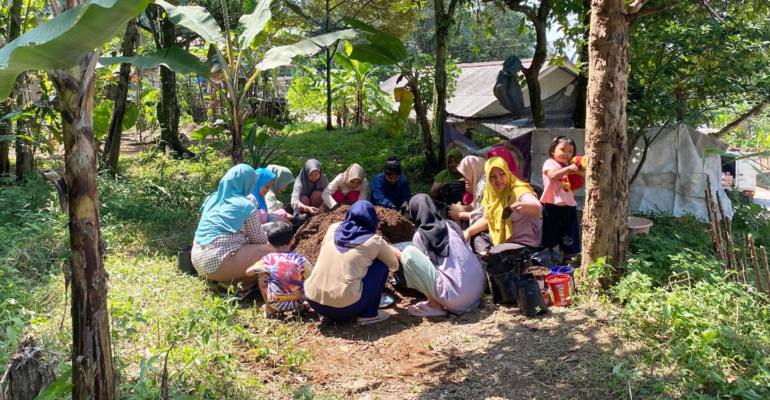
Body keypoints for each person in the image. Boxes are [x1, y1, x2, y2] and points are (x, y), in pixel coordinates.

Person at [304, 201, 399, 325]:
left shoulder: (333, 228)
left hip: (314, 301)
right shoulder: (374, 240)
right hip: (345, 309)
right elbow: (394, 266)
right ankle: (368, 315)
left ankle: (325, 313)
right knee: (381, 266)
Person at [397, 194, 484, 317]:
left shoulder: (421, 236)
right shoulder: (452, 225)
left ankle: (434, 305)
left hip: (457, 299)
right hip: (477, 290)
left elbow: (423, 268)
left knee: (408, 253)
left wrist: (398, 254)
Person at [191, 164, 270, 291]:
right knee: (271, 255)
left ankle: (221, 279)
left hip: (197, 261)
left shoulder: (212, 198)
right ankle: (236, 285)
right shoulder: (246, 206)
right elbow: (259, 239)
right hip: (217, 263)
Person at [464, 157, 542, 254]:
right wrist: (468, 232)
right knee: (475, 238)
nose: (498, 179)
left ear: (507, 173)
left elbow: (537, 207)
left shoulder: (518, 190)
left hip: (522, 242)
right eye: (493, 176)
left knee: (496, 252)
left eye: (502, 174)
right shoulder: (490, 194)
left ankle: (489, 258)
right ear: (488, 178)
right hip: (501, 240)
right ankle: (487, 256)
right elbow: (488, 219)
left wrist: (525, 206)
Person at [246, 220, 313, 318]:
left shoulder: (268, 259)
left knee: (262, 274)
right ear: (293, 240)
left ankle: (270, 311)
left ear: (269, 245)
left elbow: (248, 272)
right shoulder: (299, 258)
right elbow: (312, 275)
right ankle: (300, 308)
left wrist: (263, 268)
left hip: (276, 303)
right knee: (301, 272)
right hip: (297, 301)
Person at [540, 136, 580, 263]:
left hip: (568, 205)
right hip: (552, 204)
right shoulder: (549, 163)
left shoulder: (570, 166)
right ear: (553, 150)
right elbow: (553, 176)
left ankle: (567, 257)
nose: (566, 153)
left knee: (569, 232)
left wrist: (578, 182)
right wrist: (568, 169)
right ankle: (548, 255)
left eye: (570, 151)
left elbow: (572, 186)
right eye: (563, 149)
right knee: (550, 231)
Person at [448, 156, 485, 223]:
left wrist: (459, 215)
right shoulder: (479, 185)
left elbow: (483, 216)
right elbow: (474, 205)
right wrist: (459, 208)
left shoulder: (484, 187)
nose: (464, 179)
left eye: (467, 175)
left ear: (474, 172)